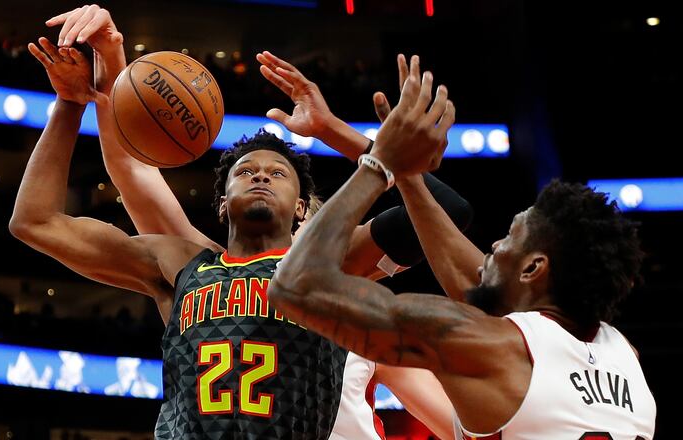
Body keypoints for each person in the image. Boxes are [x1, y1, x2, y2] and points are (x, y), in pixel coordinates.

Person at [44, 6, 478, 439]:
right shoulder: (202, 270)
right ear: (225, 204)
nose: (262, 182)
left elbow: (460, 429)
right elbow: (132, 168)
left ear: (302, 212)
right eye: (248, 175)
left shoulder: (352, 304)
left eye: (281, 180)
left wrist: (336, 132)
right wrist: (111, 58)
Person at [268, 57, 657, 439]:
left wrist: (379, 164)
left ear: (533, 268)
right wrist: (366, 145)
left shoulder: (480, 345)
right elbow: (462, 267)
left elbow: (295, 285)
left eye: (509, 238)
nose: (492, 245)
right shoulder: (624, 354)